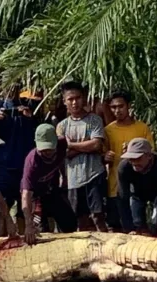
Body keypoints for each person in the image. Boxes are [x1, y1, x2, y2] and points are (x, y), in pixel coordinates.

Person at [56, 81, 107, 232]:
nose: (74, 102)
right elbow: (63, 153)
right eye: (70, 99)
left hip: (94, 174)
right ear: (64, 101)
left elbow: (97, 145)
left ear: (83, 98)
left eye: (77, 98)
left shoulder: (94, 120)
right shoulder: (62, 126)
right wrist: (87, 146)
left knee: (98, 216)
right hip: (73, 179)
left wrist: (71, 145)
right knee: (79, 219)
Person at [0, 82, 38, 237]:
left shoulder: (29, 105)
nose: (12, 90)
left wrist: (30, 118)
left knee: (25, 206)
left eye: (15, 86)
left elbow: (38, 131)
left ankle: (26, 241)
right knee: (2, 208)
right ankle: (1, 241)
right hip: (4, 165)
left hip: (25, 165)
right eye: (9, 86)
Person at [104, 90, 154, 231]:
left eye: (121, 106)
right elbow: (101, 155)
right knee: (116, 228)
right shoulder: (108, 130)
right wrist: (105, 157)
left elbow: (151, 154)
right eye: (113, 107)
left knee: (138, 226)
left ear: (128, 106)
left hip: (138, 187)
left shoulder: (142, 128)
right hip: (115, 187)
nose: (117, 110)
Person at [21, 124, 77, 244]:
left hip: (52, 189)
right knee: (40, 230)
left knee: (70, 223)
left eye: (50, 148)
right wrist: (28, 224)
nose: (47, 152)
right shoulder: (32, 162)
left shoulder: (62, 144)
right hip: (36, 197)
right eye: (43, 149)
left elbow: (61, 159)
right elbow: (26, 195)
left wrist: (64, 176)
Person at [117, 138, 157, 237]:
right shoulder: (124, 167)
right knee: (137, 224)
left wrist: (152, 230)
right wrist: (129, 229)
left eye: (138, 158)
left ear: (149, 156)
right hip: (137, 193)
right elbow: (123, 199)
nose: (134, 163)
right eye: (131, 159)